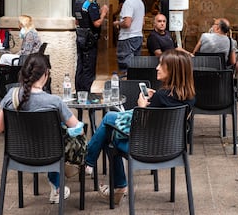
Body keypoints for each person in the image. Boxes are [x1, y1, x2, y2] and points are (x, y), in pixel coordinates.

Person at [84, 49, 196, 204]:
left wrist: (141, 106)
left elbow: (141, 127)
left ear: (173, 70)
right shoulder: (189, 98)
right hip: (174, 148)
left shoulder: (161, 97)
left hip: (146, 149)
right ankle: (95, 168)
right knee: (110, 126)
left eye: (161, 65)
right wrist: (155, 98)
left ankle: (94, 167)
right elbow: (167, 110)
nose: (157, 68)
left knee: (109, 136)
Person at [0, 53, 83, 204]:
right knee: (58, 133)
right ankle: (58, 186)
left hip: (18, 154)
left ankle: (57, 186)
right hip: (51, 154)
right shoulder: (54, 101)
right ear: (45, 74)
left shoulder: (11, 95)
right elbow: (77, 129)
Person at [74, 0, 109, 92]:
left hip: (80, 38)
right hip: (90, 40)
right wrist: (103, 13)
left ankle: (79, 92)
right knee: (89, 68)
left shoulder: (78, 3)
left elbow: (77, 22)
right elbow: (97, 23)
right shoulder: (91, 4)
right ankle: (86, 93)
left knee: (80, 66)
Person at [113, 0, 145, 73]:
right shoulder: (140, 2)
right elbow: (142, 22)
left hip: (127, 38)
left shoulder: (128, 3)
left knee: (126, 69)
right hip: (138, 37)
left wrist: (118, 23)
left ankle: (127, 87)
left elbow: (127, 23)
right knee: (135, 68)